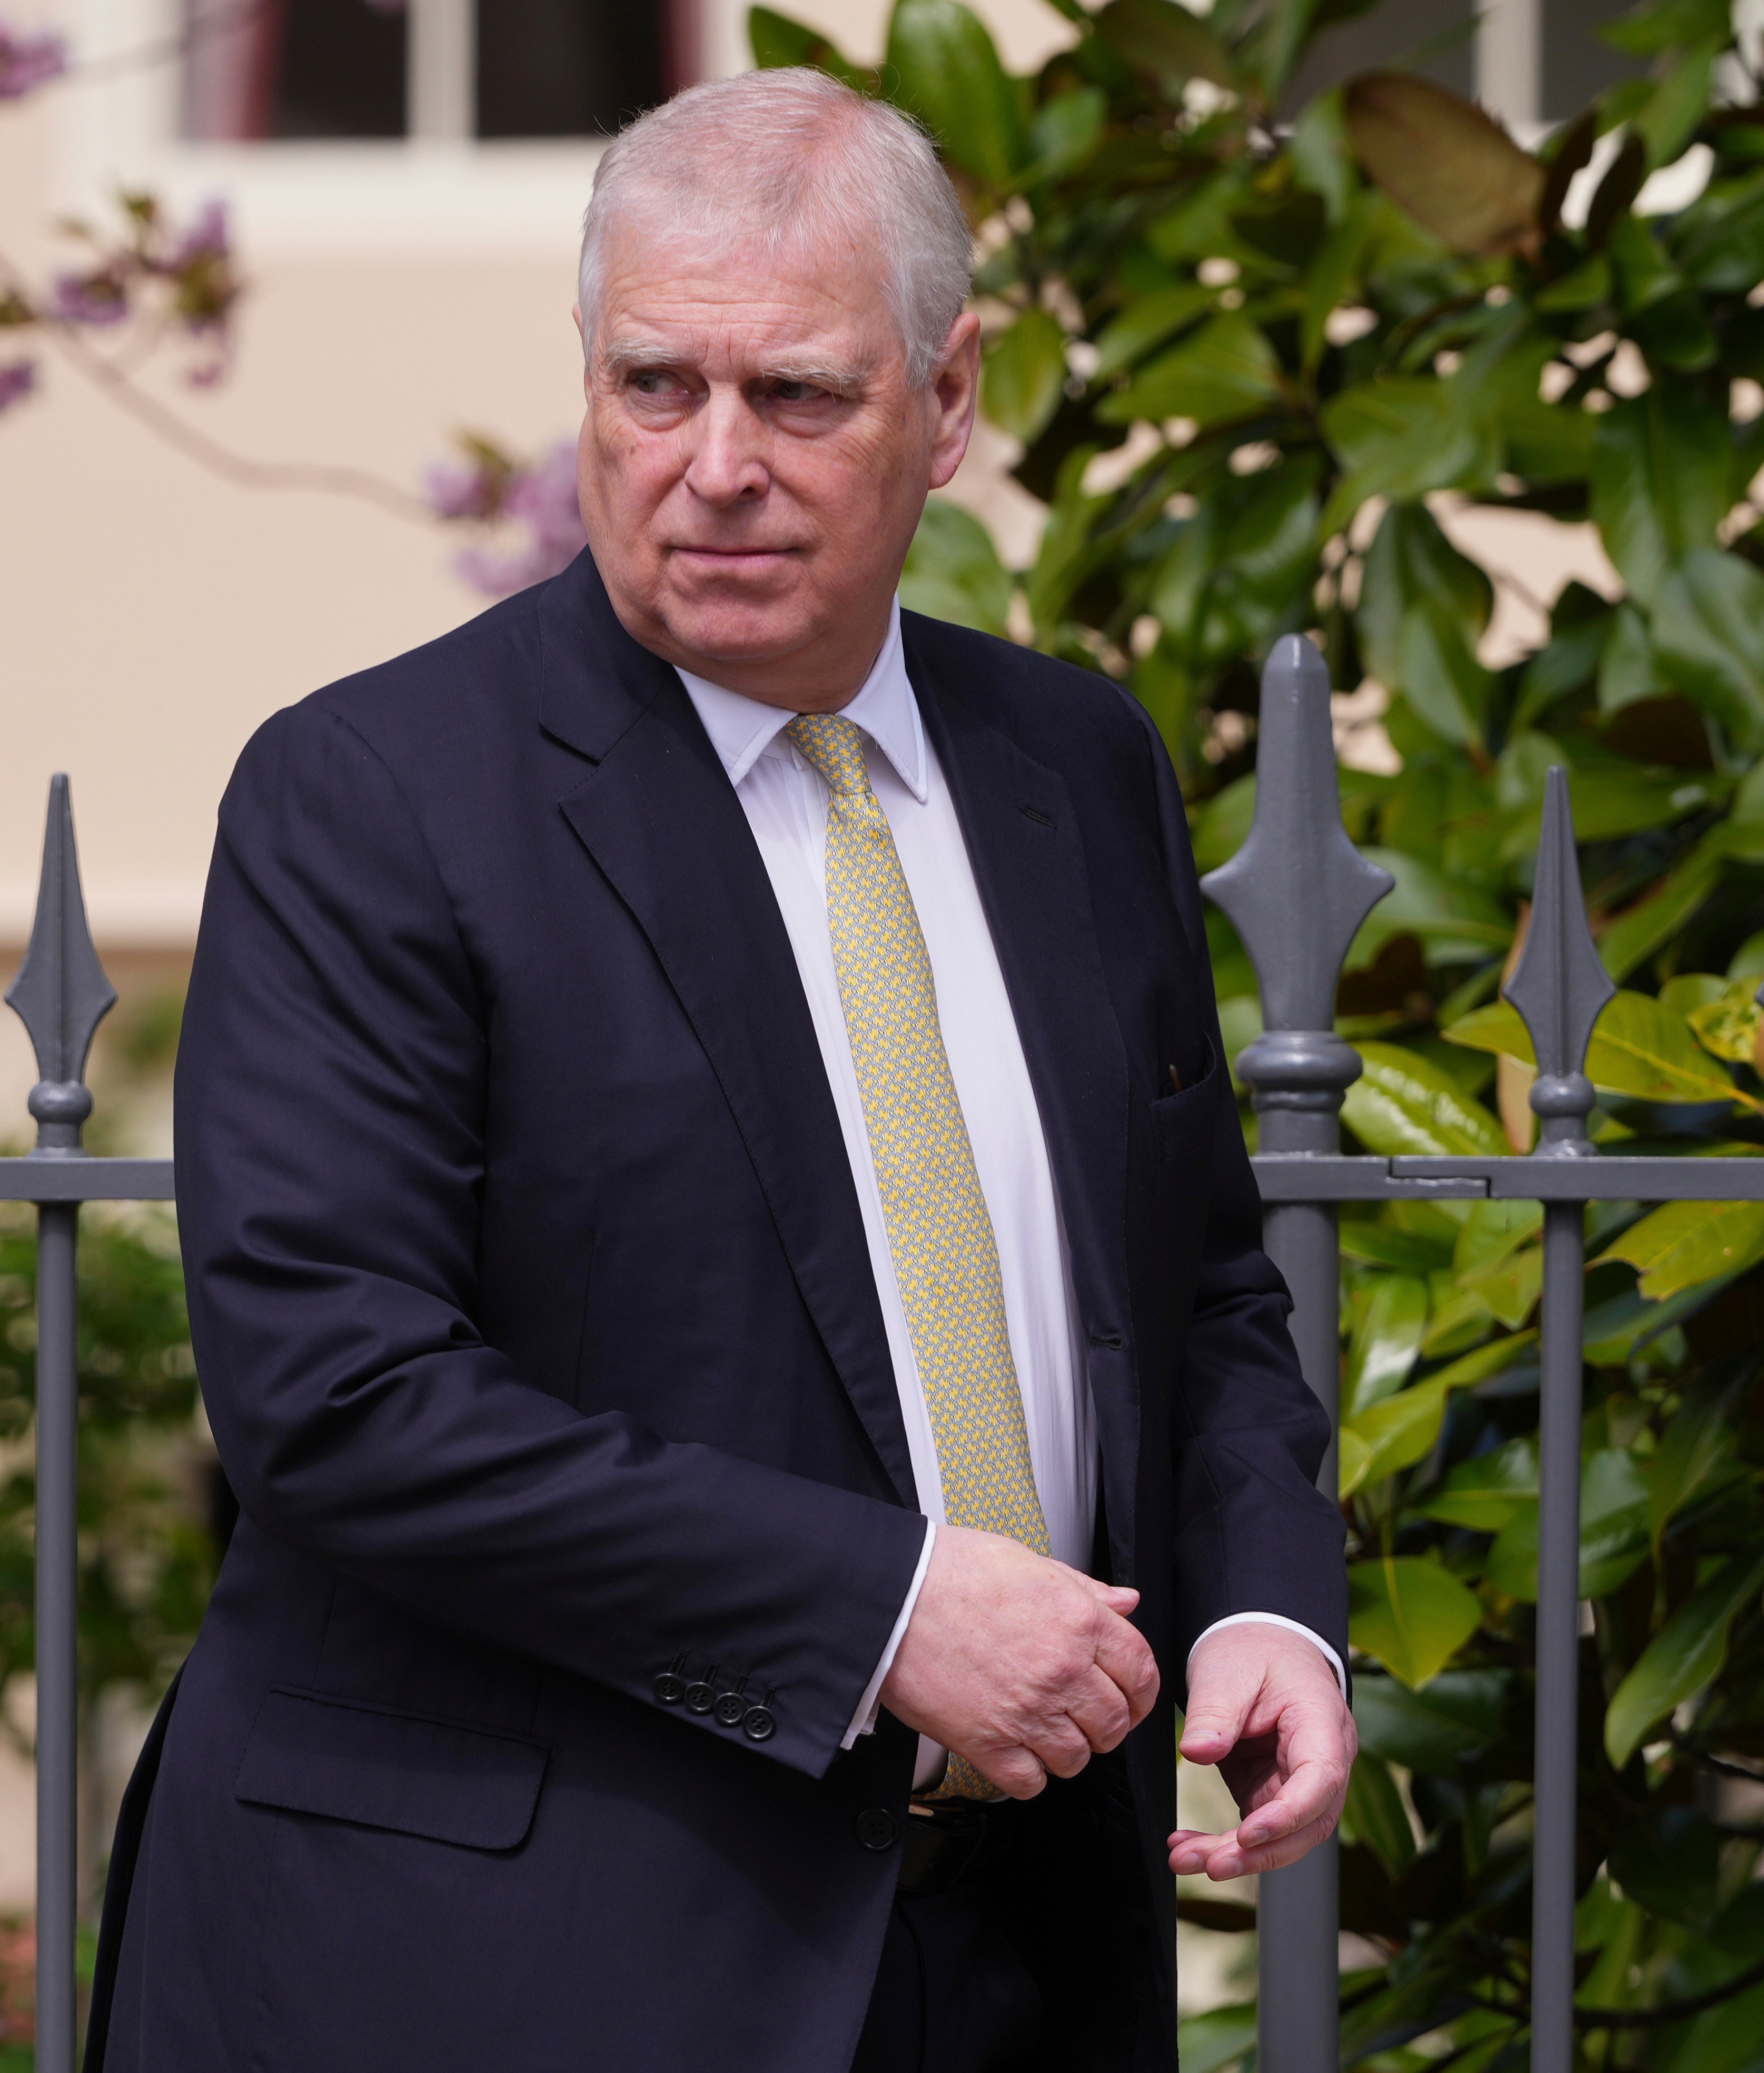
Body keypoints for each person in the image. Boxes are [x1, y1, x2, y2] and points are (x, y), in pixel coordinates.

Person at [88, 64, 1355, 2073]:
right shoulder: (376, 796)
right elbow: (338, 1394)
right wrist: (887, 1609)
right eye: (654, 386)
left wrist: (1266, 1609)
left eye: (797, 397)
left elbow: (1195, 1292)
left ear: (947, 403)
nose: (714, 465)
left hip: (1017, 1953)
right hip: (502, 1967)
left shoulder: (1071, 767)